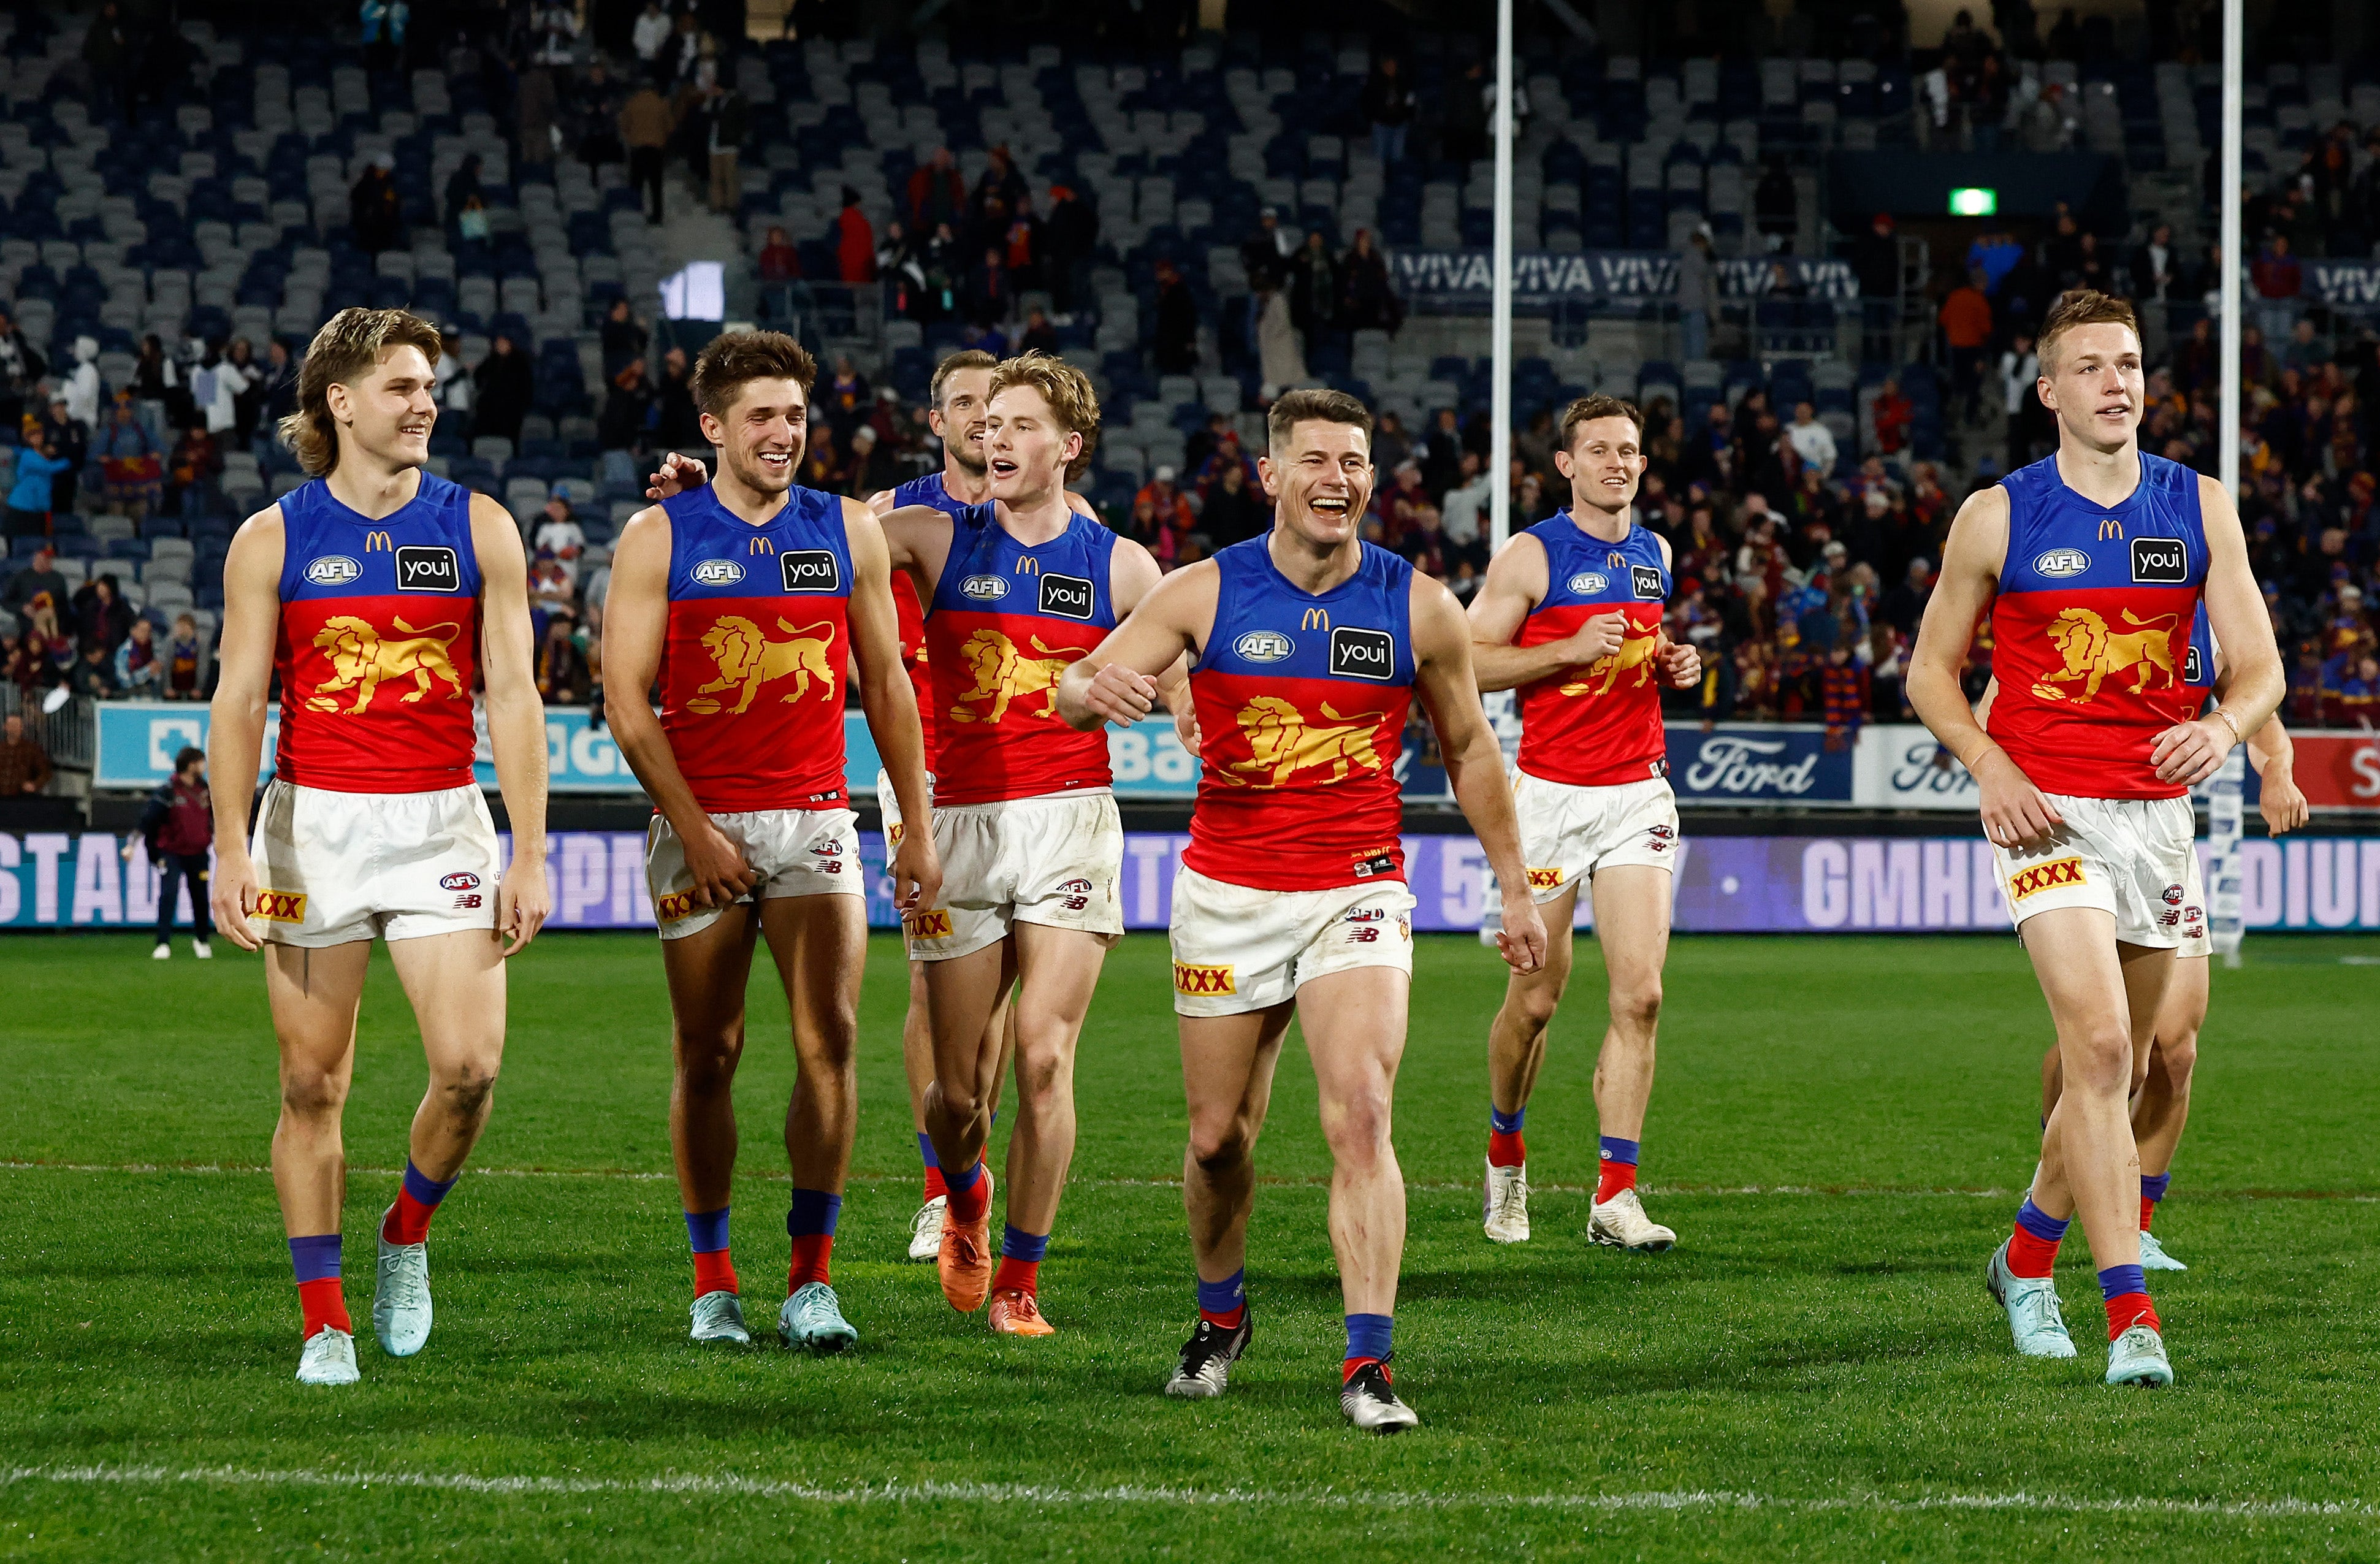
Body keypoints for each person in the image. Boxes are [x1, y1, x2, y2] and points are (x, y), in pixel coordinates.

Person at [1052, 387, 1549, 1432]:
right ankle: (1220, 1317)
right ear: (1271, 475)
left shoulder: (1419, 605)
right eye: (1315, 461)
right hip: (1226, 896)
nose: (1337, 480)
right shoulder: (1202, 592)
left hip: (1357, 891)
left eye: (1355, 462)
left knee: (1361, 1114)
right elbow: (1074, 682)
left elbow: (1467, 750)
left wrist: (1516, 885)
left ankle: (1367, 1365)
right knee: (1217, 1140)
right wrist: (1093, 690)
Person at [1905, 288, 2282, 1390]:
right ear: (2047, 390)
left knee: (2144, 1058)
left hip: (2158, 819)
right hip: (2046, 813)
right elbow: (1930, 672)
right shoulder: (1997, 514)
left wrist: (2223, 727)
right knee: (2103, 1050)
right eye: (2091, 366)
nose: (2117, 382)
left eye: (2127, 363)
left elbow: (2260, 668)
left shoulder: (2199, 506)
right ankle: (2130, 1317)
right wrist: (1989, 764)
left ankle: (2024, 1260)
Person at [205, 308, 552, 1389]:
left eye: (429, 385)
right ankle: (324, 1322)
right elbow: (238, 700)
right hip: (312, 830)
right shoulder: (272, 536)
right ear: (339, 403)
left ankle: (405, 1234)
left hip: (441, 817)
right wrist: (229, 847)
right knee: (311, 1082)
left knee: (470, 1071)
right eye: (402, 386)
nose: (426, 403)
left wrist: (529, 850)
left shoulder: (480, 524)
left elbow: (515, 694)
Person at [603, 330, 936, 1352]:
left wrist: (916, 824)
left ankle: (810, 1283)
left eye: (795, 414)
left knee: (828, 1043)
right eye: (761, 416)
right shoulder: (657, 536)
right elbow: (624, 700)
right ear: (713, 427)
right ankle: (713, 1288)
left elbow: (883, 684)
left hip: (816, 819)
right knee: (709, 1053)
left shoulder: (847, 530)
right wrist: (695, 830)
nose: (784, 432)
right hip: (695, 823)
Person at [883, 352, 1162, 1337]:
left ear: (1069, 446)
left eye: (1021, 424)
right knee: (959, 1092)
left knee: (1044, 1059)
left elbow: (1191, 663)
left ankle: (1018, 1280)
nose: (997, 437)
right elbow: (807, 544)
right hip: (958, 819)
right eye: (989, 422)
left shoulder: (1121, 564)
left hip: (1073, 816)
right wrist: (699, 501)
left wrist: (1154, 695)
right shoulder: (929, 534)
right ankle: (963, 1192)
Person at [1461, 395, 1704, 1251]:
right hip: (1550, 800)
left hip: (1637, 791)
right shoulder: (1532, 554)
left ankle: (1615, 1193)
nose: (1616, 462)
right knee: (1535, 999)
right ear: (1565, 464)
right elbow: (1466, 664)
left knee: (1640, 991)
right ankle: (1505, 1151)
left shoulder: (1654, 552)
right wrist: (1562, 651)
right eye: (1597, 449)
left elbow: (1640, 644)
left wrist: (1673, 660)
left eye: (1629, 449)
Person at [1997, 617, 2310, 1276]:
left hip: (2164, 841)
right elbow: (1996, 704)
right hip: (2077, 830)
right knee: (2103, 1051)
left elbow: (2263, 716)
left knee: (2170, 1054)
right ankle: (2066, 1176)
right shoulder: (2071, 605)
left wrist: (2277, 774)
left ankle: (2132, 1224)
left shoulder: (2207, 622)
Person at [133, 744, 213, 959]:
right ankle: (163, 943)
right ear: (191, 765)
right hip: (172, 853)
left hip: (198, 853)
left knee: (201, 898)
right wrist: (141, 848)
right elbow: (149, 821)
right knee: (168, 896)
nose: (204, 766)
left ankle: (202, 940)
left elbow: (213, 819)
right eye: (201, 762)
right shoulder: (168, 791)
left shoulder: (204, 790)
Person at [620, 80, 674, 224]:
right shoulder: (661, 103)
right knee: (656, 184)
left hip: (637, 147)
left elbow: (624, 125)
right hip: (656, 148)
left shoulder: (633, 103)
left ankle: (635, 214)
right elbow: (670, 127)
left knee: (636, 183)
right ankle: (657, 216)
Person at [1362, 56, 1413, 165]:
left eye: (1393, 65)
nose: (1391, 68)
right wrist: (1374, 117)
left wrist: (1407, 116)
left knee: (1397, 159)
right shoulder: (1374, 83)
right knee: (1379, 158)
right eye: (1388, 66)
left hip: (1399, 125)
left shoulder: (1403, 83)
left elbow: (1410, 101)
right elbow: (1367, 102)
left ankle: (1395, 179)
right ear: (1383, 67)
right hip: (1381, 125)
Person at [0, 709, 48, 795]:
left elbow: (45, 772)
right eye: (11, 725)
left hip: (21, 798)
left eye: (16, 726)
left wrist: (34, 785)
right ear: (5, 727)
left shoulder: (32, 749)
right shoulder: (2, 748)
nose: (13, 729)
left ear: (21, 728)